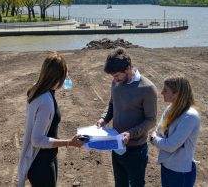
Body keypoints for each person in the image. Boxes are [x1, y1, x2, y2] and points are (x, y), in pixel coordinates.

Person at [17, 52, 84, 187]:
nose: (67, 78)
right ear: (58, 77)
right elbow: (37, 140)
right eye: (65, 75)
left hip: (44, 160)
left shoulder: (37, 89)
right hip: (41, 164)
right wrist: (69, 142)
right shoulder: (45, 100)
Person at [96, 47, 157, 187]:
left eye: (117, 75)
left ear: (128, 68)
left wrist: (130, 133)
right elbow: (112, 104)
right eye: (113, 76)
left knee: (136, 184)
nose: (115, 79)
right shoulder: (116, 82)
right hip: (116, 144)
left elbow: (151, 120)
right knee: (120, 183)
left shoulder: (147, 88)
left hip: (136, 149)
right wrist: (103, 119)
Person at [149, 76, 201, 187]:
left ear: (177, 94)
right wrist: (158, 138)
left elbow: (170, 145)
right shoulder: (170, 109)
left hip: (180, 172)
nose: (162, 92)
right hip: (167, 166)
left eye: (165, 90)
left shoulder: (190, 116)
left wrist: (154, 139)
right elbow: (159, 130)